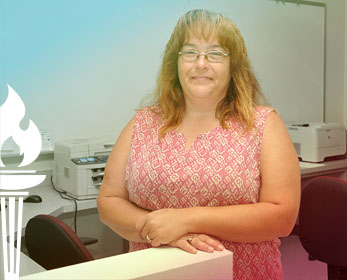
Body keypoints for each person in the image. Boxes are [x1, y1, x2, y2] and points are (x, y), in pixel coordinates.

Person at [97, 9, 300, 280]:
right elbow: (109, 201)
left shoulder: (262, 124)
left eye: (215, 54)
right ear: (175, 62)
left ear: (233, 66)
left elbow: (282, 216)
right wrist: (158, 229)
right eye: (190, 52)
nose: (201, 63)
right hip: (154, 272)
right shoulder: (144, 122)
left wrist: (185, 220)